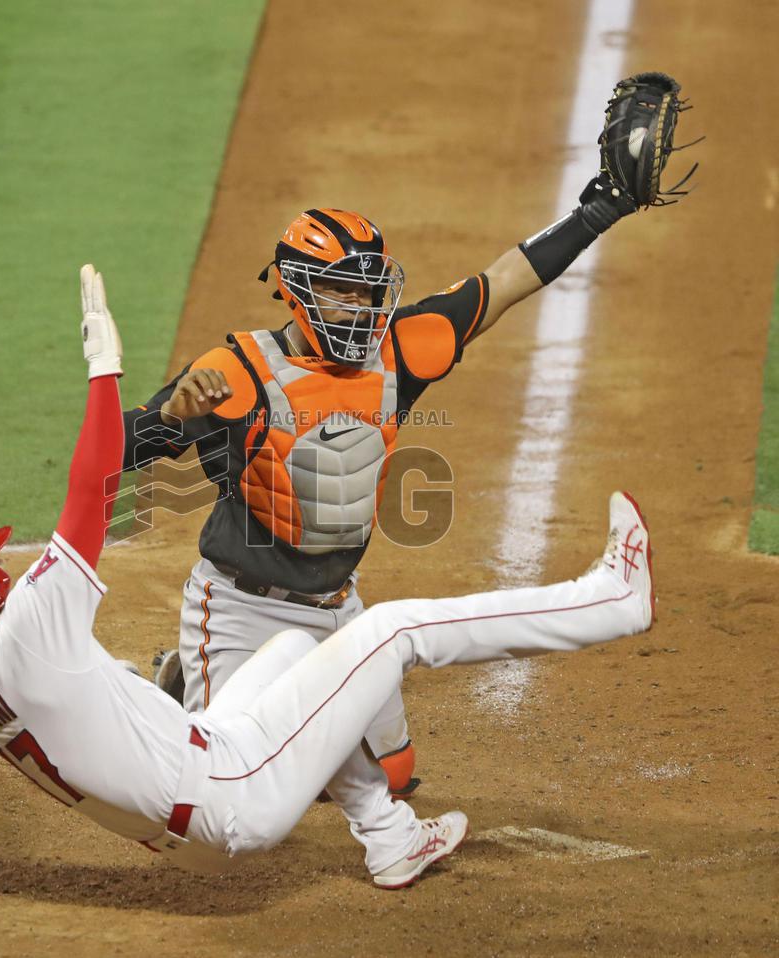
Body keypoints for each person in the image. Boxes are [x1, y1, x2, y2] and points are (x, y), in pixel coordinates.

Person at [0, 264, 656, 889]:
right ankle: (612, 602)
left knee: (294, 652)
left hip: (188, 802)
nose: (0, 564)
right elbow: (93, 480)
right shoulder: (30, 631)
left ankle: (390, 840)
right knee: (392, 631)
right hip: (231, 798)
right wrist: (104, 366)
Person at [126, 175, 643, 798]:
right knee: (223, 784)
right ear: (295, 290)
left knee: (387, 778)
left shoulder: (399, 350)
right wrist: (170, 419)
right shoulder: (234, 370)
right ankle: (171, 689)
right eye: (341, 291)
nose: (361, 308)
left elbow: (504, 281)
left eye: (369, 292)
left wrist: (598, 212)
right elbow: (116, 450)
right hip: (242, 606)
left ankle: (223, 692)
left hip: (337, 608)